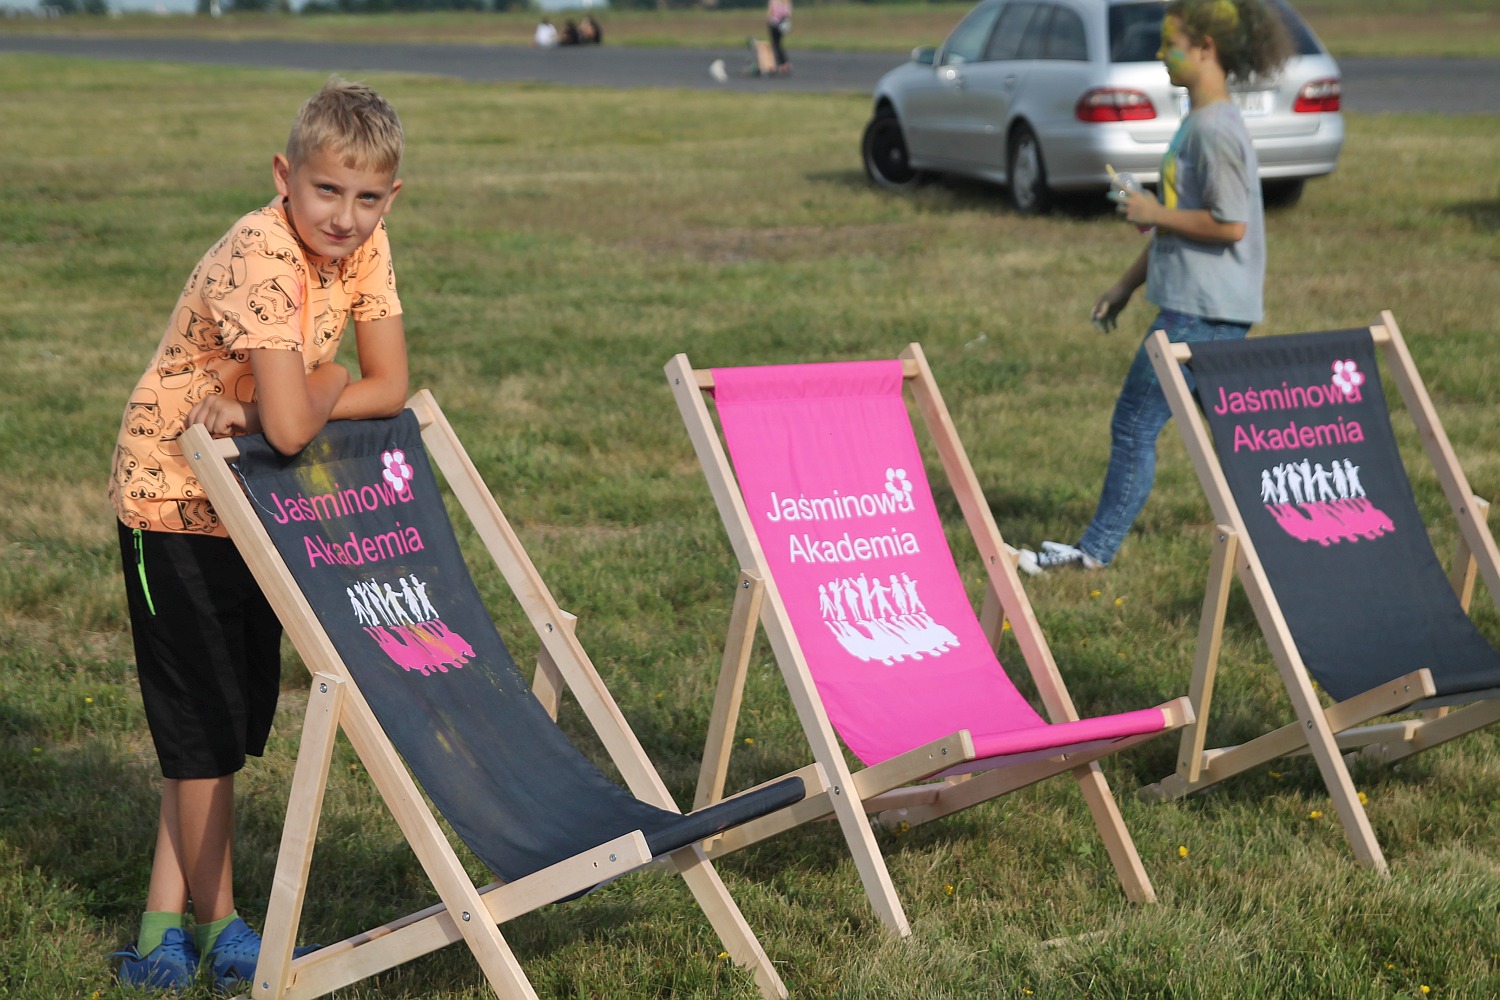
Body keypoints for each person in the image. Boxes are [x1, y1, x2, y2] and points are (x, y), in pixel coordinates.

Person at [107, 78, 408, 991]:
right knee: (201, 728)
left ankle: (163, 927)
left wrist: (283, 401)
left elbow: (388, 385)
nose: (345, 218)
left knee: (222, 725)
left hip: (252, 501)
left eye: (366, 199)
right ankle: (222, 929)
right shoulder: (263, 254)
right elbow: (290, 424)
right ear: (286, 176)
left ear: (390, 198)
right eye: (327, 191)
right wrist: (302, 396)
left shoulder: (364, 246)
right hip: (174, 499)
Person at [1018, 0, 1291, 574]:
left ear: (1205, 50)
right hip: (1199, 304)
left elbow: (1230, 223)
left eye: (1170, 42)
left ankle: (1094, 552)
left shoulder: (1215, 130)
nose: (1159, 53)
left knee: (1135, 424)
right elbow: (1183, 221)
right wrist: (1123, 285)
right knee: (1235, 441)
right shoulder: (1199, 121)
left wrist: (1156, 211)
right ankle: (1285, 536)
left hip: (1200, 311)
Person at [767, 0, 792, 75]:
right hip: (783, 25)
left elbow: (771, 12)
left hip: (774, 24)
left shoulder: (774, 1)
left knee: (775, 44)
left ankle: (781, 64)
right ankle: (784, 62)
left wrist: (767, 20)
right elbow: (788, 14)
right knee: (779, 44)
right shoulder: (786, 2)